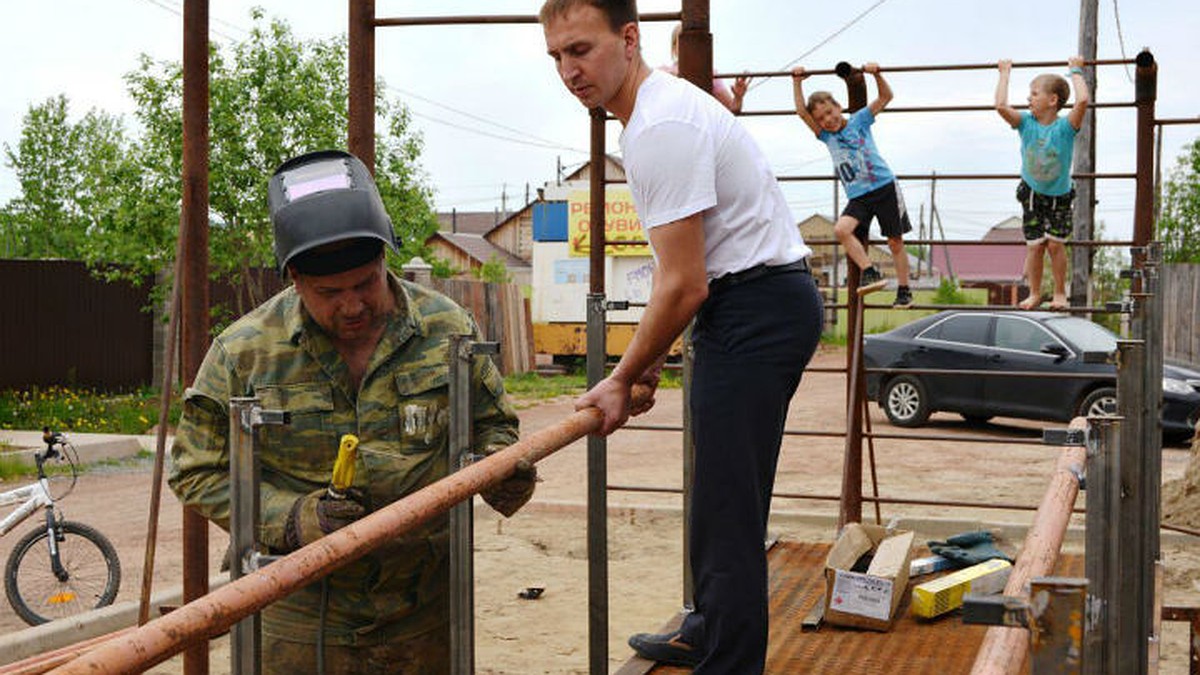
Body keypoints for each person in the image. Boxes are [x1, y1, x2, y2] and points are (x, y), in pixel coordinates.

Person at [168, 149, 533, 674]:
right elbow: (194, 469)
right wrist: (292, 518)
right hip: (295, 619)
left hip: (424, 617)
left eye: (366, 283)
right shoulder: (245, 352)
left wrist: (501, 465)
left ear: (386, 258)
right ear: (293, 278)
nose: (353, 305)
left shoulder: (447, 329)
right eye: (329, 292)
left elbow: (494, 425)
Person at [540, 2, 824, 672]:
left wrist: (621, 375)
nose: (568, 70)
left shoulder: (660, 123)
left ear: (629, 39)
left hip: (754, 307)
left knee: (728, 505)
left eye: (581, 49)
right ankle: (709, 622)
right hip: (750, 302)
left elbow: (683, 282)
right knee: (719, 490)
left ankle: (729, 658)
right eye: (556, 56)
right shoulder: (656, 110)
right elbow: (691, 277)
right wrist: (647, 366)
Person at [792, 63, 914, 307]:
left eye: (830, 112)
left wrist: (877, 74)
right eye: (821, 118)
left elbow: (886, 97)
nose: (828, 120)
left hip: (884, 187)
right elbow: (801, 113)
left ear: (839, 107)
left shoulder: (860, 120)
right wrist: (797, 82)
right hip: (859, 197)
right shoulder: (826, 137)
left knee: (895, 242)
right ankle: (869, 271)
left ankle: (904, 290)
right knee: (841, 229)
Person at [995, 56, 1090, 310]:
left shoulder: (1065, 127)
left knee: (1056, 246)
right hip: (1032, 193)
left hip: (1059, 195)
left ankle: (1060, 293)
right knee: (1035, 247)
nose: (1029, 98)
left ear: (1052, 100)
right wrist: (1004, 73)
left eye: (1034, 93)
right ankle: (1035, 293)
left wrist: (1076, 71)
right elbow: (1001, 106)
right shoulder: (1025, 123)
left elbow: (1082, 100)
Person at [661, 23, 750, 113]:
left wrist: (738, 97)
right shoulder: (663, 73)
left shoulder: (710, 74)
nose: (689, 46)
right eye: (684, 41)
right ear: (674, 47)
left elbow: (732, 109)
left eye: (694, 42)